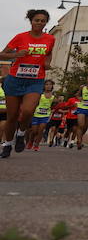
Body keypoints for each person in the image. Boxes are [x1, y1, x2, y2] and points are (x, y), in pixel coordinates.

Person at [1, 10, 56, 158]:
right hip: (15, 80)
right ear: (31, 21)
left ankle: (21, 133)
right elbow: (2, 54)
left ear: (46, 23)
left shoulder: (50, 38)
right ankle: (7, 144)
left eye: (43, 21)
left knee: (27, 111)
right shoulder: (20, 37)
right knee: (12, 116)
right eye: (36, 20)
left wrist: (47, 62)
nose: (39, 23)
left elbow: (49, 52)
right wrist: (16, 55)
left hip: (35, 80)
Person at [29, 81, 56, 151]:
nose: (48, 86)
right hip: (36, 114)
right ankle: (31, 141)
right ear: (44, 86)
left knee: (41, 130)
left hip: (45, 115)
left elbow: (54, 106)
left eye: (50, 84)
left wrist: (54, 108)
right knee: (34, 131)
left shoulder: (53, 96)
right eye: (46, 84)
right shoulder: (40, 94)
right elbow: (34, 102)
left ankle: (36, 145)